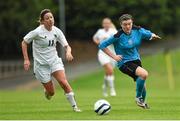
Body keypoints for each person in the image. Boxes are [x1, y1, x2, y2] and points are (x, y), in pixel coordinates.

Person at [21, 9, 81, 112]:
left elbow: (67, 46)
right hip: (41, 65)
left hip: (54, 61)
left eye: (51, 17)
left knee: (63, 82)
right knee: (51, 92)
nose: (50, 20)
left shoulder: (57, 31)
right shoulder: (37, 32)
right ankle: (47, 91)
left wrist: (68, 52)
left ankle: (75, 107)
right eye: (47, 18)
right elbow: (24, 42)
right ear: (42, 21)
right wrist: (26, 60)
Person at [99, 14, 161, 109]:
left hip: (136, 60)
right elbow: (102, 45)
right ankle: (138, 98)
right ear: (121, 25)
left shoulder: (137, 30)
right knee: (144, 74)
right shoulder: (118, 35)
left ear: (132, 23)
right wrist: (114, 56)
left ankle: (143, 104)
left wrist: (153, 35)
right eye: (125, 24)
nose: (127, 26)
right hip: (124, 63)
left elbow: (147, 33)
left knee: (142, 83)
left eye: (129, 24)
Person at [93, 18, 117, 97]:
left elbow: (118, 40)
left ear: (110, 24)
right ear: (103, 24)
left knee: (108, 73)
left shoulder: (113, 31)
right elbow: (94, 38)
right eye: (105, 23)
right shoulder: (100, 31)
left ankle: (104, 88)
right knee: (110, 70)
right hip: (102, 54)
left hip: (112, 54)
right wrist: (99, 43)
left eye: (108, 23)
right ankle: (112, 89)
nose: (106, 24)